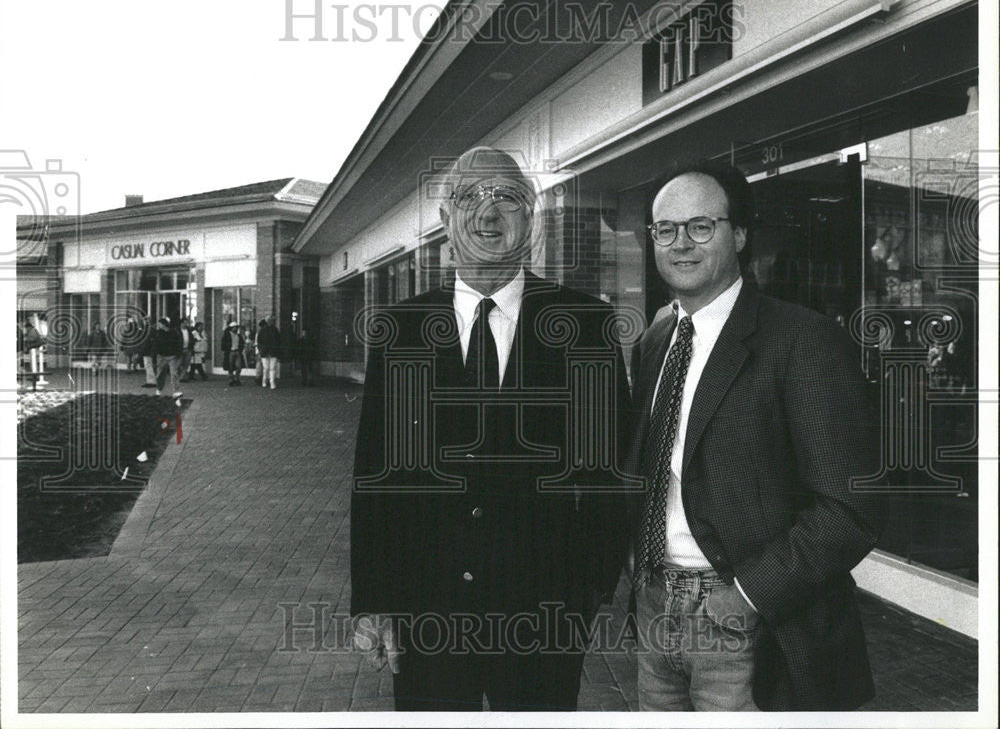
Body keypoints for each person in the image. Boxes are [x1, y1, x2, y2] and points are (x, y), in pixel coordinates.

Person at [350, 147, 632, 711]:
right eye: (470, 199)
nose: (488, 213)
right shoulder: (401, 328)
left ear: (530, 219)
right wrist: (374, 600)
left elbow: (615, 467)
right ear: (447, 222)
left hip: (544, 615)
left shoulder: (584, 323)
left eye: (506, 197)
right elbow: (375, 473)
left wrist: (589, 586)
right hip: (426, 611)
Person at [626, 162, 884, 711]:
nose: (681, 243)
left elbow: (850, 508)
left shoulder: (801, 339)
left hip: (747, 628)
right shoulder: (655, 342)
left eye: (701, 226)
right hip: (655, 616)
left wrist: (747, 596)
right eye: (665, 229)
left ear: (739, 234)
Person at [151, 316, 184, 397]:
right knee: (160, 374)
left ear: (164, 324)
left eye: (160, 324)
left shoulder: (174, 332)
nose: (159, 325)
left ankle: (176, 391)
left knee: (174, 374)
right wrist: (155, 356)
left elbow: (178, 343)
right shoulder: (158, 333)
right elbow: (155, 345)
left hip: (172, 356)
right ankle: (159, 389)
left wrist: (178, 354)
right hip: (161, 356)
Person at [257, 316, 281, 389]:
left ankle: (271, 382)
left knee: (271, 368)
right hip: (267, 351)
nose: (270, 322)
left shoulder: (272, 330)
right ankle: (266, 381)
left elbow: (278, 340)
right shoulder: (269, 330)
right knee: (267, 368)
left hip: (270, 351)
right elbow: (259, 341)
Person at [221, 321, 245, 386]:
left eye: (236, 327)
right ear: (231, 328)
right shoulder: (227, 335)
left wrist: (240, 349)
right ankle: (231, 379)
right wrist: (226, 349)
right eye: (234, 327)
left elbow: (242, 343)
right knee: (230, 367)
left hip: (237, 351)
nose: (236, 329)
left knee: (239, 366)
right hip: (230, 352)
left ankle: (237, 378)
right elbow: (223, 344)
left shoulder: (238, 335)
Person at [137, 322, 157, 387]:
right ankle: (150, 380)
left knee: (148, 366)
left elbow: (145, 343)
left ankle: (151, 381)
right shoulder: (153, 331)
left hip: (147, 351)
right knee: (148, 365)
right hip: (149, 351)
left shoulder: (147, 332)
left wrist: (141, 351)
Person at [178, 318, 193, 383]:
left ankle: (183, 377)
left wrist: (191, 346)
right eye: (185, 323)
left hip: (188, 349)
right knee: (179, 363)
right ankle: (178, 376)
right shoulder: (177, 331)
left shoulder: (189, 331)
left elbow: (192, 338)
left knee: (186, 363)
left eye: (187, 323)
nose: (186, 324)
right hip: (180, 349)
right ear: (181, 323)